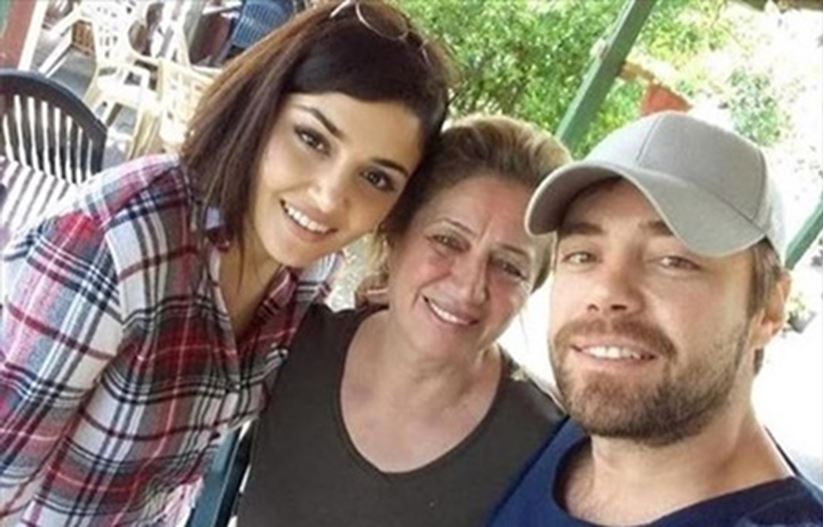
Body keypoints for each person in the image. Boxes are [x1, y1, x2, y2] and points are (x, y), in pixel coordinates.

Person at [0, 1, 454, 524]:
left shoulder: (309, 274)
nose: (329, 198)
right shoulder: (118, 244)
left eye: (376, 178)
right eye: (312, 139)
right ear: (261, 109)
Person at [490, 111, 823, 526]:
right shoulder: (548, 442)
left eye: (672, 261)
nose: (607, 293)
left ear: (769, 309)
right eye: (583, 255)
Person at [235, 115, 570, 527]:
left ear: (533, 287)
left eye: (509, 266)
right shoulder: (293, 346)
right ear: (395, 234)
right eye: (447, 240)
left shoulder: (542, 448)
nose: (469, 288)